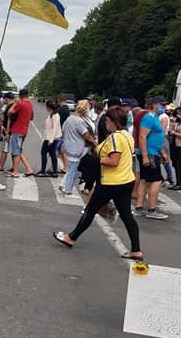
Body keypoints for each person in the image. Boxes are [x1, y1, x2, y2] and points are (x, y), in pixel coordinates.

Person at [53, 106, 143, 261]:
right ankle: (136, 250)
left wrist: (95, 160)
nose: (106, 123)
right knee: (127, 215)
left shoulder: (115, 137)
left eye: (108, 120)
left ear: (114, 121)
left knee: (90, 210)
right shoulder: (127, 135)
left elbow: (114, 160)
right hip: (125, 180)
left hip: (111, 182)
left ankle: (71, 237)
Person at [134, 97, 169, 220]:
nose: (163, 107)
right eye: (161, 105)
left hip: (153, 152)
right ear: (154, 105)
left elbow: (154, 137)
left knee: (144, 180)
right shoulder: (149, 117)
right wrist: (144, 156)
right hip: (149, 153)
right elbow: (142, 137)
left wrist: (162, 152)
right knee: (156, 180)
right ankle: (152, 209)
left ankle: (139, 207)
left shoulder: (154, 118)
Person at [59, 100, 95, 196]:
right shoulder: (79, 121)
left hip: (68, 146)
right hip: (77, 148)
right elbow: (86, 135)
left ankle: (64, 186)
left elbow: (63, 130)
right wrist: (94, 141)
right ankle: (68, 189)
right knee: (73, 171)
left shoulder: (69, 118)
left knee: (71, 169)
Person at [7, 88, 35, 178]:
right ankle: (29, 168)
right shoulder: (30, 104)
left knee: (16, 152)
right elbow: (31, 117)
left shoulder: (21, 104)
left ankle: (15, 172)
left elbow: (9, 112)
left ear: (20, 96)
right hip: (24, 130)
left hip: (17, 130)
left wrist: (15, 103)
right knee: (19, 150)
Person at [36, 102, 61, 176]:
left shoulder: (55, 116)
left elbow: (55, 128)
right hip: (50, 137)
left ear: (49, 107)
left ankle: (43, 171)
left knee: (43, 153)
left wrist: (51, 139)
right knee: (52, 154)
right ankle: (54, 172)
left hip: (51, 138)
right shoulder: (51, 115)